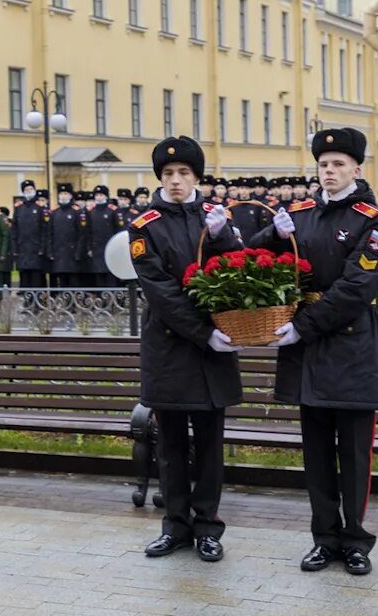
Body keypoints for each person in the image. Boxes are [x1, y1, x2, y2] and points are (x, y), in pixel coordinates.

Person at [248, 127, 378, 576]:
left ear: (356, 169)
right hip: (306, 348)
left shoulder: (373, 220)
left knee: (353, 453)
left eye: (338, 164)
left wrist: (302, 327)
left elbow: (357, 286)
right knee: (314, 452)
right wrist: (272, 232)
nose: (329, 171)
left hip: (348, 343)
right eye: (323, 165)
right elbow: (252, 256)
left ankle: (355, 540)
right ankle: (324, 537)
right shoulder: (301, 213)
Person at [130, 136, 242, 563]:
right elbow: (159, 291)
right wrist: (202, 332)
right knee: (171, 444)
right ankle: (175, 525)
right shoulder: (144, 226)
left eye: (184, 174)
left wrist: (222, 237)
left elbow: (238, 266)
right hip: (172, 345)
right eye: (168, 174)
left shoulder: (216, 217)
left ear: (197, 177)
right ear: (159, 177)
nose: (176, 181)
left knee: (211, 442)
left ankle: (208, 527)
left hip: (214, 346)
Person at [47, 183, 88, 289]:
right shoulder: (54, 213)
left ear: (70, 196)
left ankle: (75, 303)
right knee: (62, 282)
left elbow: (81, 234)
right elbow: (50, 234)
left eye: (66, 193)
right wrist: (50, 252)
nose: (63, 196)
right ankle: (64, 303)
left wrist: (78, 252)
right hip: (59, 254)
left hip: (72, 255)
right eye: (61, 194)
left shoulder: (77, 212)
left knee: (74, 283)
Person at [12, 180, 48, 289]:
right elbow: (15, 230)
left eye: (31, 189)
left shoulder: (40, 208)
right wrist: (15, 248)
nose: (29, 191)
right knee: (24, 280)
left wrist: (42, 248)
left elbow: (45, 230)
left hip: (36, 250)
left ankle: (37, 302)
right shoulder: (19, 209)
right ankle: (27, 302)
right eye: (26, 190)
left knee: (36, 280)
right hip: (23, 250)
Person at [87, 185, 125, 287]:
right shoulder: (91, 212)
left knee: (110, 275)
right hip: (96, 248)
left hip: (110, 247)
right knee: (99, 275)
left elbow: (119, 229)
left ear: (106, 196)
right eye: (97, 195)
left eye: (101, 195)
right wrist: (89, 248)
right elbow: (88, 231)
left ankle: (112, 300)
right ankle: (101, 300)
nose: (99, 197)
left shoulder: (113, 211)